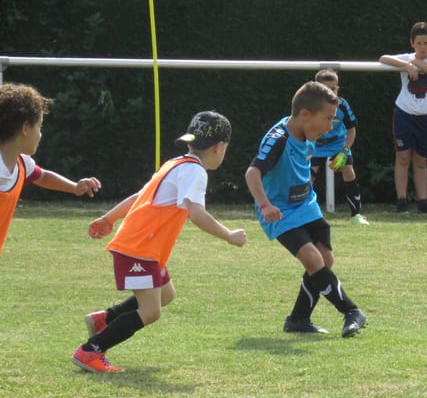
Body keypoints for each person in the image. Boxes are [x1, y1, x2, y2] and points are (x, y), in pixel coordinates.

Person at [72, 111, 247, 373]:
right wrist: (230, 235)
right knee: (151, 311)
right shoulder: (195, 172)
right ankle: (90, 351)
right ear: (219, 147)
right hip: (140, 248)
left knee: (166, 295)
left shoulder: (174, 163)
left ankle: (105, 320)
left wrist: (109, 218)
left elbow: (139, 195)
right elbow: (196, 214)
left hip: (145, 247)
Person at [245, 81, 367, 338]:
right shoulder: (278, 139)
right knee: (313, 260)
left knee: (325, 261)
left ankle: (298, 319)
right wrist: (265, 205)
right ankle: (351, 311)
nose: (331, 126)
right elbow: (252, 173)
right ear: (305, 115)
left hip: (306, 204)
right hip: (279, 210)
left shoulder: (310, 134)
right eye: (328, 119)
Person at [0, 83, 101, 256]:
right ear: (25, 128)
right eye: (39, 127)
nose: (40, 134)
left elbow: (43, 176)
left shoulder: (22, 164)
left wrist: (74, 187)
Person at [379, 21, 427, 214]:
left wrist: (413, 64)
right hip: (404, 114)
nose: (423, 47)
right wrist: (405, 64)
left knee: (420, 160)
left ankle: (423, 202)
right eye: (419, 43)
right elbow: (383, 58)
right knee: (402, 157)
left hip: (425, 117)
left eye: (426, 43)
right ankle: (401, 201)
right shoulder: (406, 57)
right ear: (412, 43)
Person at [309, 69, 368, 225]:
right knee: (308, 176)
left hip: (338, 144)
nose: (331, 92)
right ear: (317, 89)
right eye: (326, 89)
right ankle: (305, 214)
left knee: (348, 170)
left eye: (334, 88)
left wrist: (344, 151)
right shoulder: (309, 106)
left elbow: (351, 130)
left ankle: (356, 215)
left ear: (338, 88)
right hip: (315, 145)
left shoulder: (342, 105)